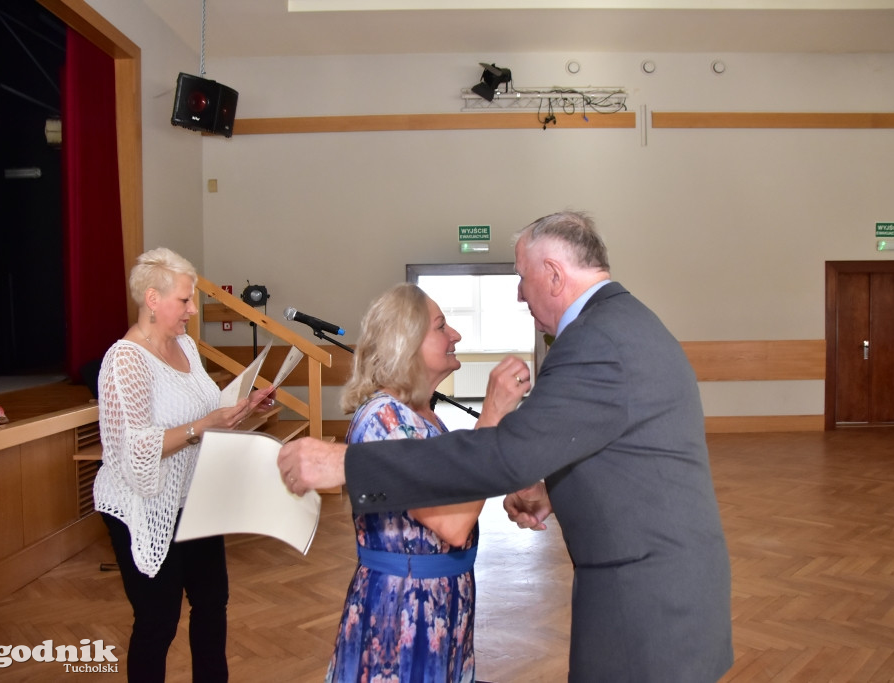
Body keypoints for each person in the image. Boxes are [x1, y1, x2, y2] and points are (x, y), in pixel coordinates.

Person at [278, 211, 734, 682]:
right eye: (440, 326)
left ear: (553, 274)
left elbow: (509, 455)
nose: (519, 293)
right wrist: (555, 492)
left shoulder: (595, 340)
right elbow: (618, 455)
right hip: (656, 593)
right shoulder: (620, 325)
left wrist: (347, 464)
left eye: (521, 276)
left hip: (647, 604)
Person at [325, 283, 527, 683]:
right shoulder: (384, 420)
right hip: (403, 610)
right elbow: (451, 525)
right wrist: (492, 415)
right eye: (441, 326)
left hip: (438, 602)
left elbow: (455, 490)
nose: (456, 335)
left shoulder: (421, 416)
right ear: (407, 342)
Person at [94, 247, 272, 682]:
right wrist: (203, 426)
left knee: (212, 604)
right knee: (157, 620)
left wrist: (244, 407)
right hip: (143, 505)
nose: (193, 310)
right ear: (152, 300)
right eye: (185, 300)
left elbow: (203, 410)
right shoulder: (125, 360)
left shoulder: (187, 346)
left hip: (193, 497)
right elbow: (134, 449)